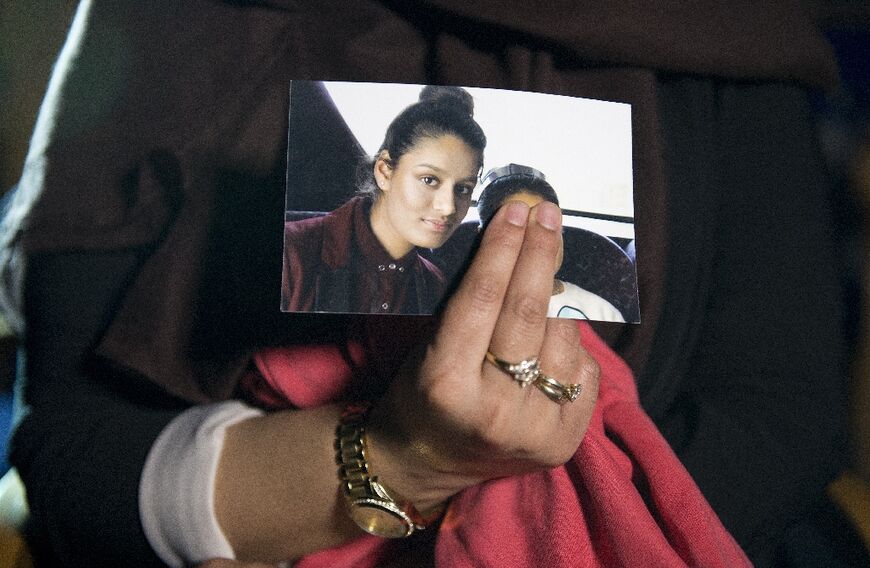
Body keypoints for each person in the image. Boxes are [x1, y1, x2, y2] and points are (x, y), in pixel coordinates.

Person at [0, 2, 848, 567]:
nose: (443, 209)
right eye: (426, 184)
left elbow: (782, 421)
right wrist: (406, 458)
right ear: (380, 169)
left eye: (461, 190)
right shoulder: (181, 24)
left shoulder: (724, 29)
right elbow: (72, 462)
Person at [281, 86, 484, 315]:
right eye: (429, 179)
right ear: (384, 171)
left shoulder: (432, 285)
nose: (448, 207)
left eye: (463, 189)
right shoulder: (292, 253)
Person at [476, 163, 626, 322]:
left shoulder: (601, 312)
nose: (537, 243)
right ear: (483, 237)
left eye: (547, 226)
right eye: (518, 227)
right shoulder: (465, 305)